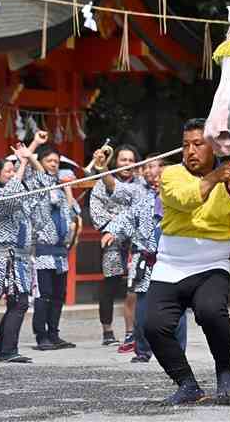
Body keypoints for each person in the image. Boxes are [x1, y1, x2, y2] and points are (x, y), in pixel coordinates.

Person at [144, 118, 230, 405]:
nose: (190, 151)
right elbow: (185, 199)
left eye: (198, 144)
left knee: (211, 312)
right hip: (170, 265)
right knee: (154, 325)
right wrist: (215, 177)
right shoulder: (170, 175)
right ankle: (187, 384)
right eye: (185, 145)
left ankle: (225, 371)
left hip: (211, 266)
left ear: (214, 148)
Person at [102, 154, 187, 363]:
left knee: (176, 307)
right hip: (145, 259)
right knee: (143, 308)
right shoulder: (143, 198)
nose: (156, 178)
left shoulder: (180, 197)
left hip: (171, 258)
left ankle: (177, 350)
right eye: (152, 174)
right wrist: (112, 230)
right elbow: (127, 217)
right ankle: (142, 350)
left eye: (161, 176)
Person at [0, 146, 36, 363]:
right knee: (19, 302)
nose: (13, 173)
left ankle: (3, 346)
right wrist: (22, 164)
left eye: (13, 169)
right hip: (6, 256)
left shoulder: (18, 191)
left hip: (20, 256)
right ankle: (7, 349)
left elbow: (33, 190)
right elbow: (11, 200)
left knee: (16, 303)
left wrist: (30, 156)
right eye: (8, 171)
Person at [89, 144, 142, 351]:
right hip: (111, 240)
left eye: (130, 160)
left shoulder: (141, 184)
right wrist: (115, 224)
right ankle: (107, 330)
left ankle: (134, 330)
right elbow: (96, 211)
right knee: (109, 285)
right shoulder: (102, 183)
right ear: (115, 162)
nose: (127, 164)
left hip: (136, 241)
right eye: (123, 160)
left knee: (136, 286)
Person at [27, 136, 75, 351]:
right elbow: (41, 178)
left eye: (56, 161)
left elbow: (73, 210)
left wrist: (68, 189)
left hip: (61, 250)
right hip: (43, 250)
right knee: (44, 295)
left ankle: (54, 333)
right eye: (49, 161)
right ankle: (41, 335)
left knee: (58, 296)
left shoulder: (60, 185)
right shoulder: (37, 184)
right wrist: (32, 155)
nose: (54, 165)